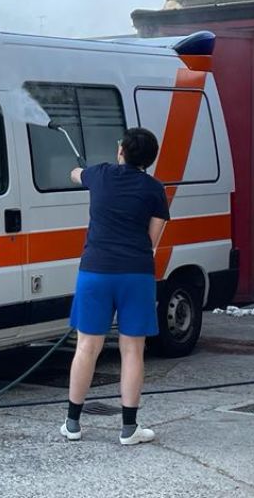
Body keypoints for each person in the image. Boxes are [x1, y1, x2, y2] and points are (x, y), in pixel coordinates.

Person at [61, 127, 169, 446]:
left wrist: (85, 172)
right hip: (136, 273)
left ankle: (73, 423)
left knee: (86, 347)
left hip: (95, 271)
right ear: (149, 159)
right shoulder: (154, 189)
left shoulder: (101, 175)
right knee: (132, 350)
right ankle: (129, 428)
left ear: (121, 150)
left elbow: (74, 173)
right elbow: (152, 240)